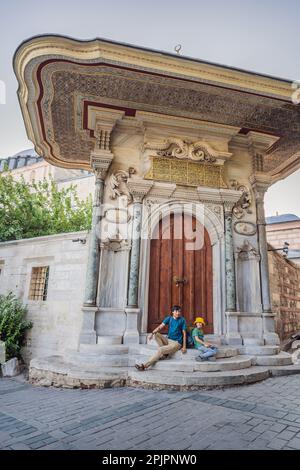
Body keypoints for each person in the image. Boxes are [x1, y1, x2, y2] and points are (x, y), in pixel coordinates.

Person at [135, 305, 187, 371]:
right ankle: (165, 353)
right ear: (173, 312)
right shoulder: (169, 318)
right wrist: (152, 333)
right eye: (176, 311)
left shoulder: (182, 320)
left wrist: (184, 346)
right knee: (156, 334)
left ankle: (144, 366)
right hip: (168, 340)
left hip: (176, 343)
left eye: (179, 311)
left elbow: (184, 333)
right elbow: (160, 327)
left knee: (160, 350)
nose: (178, 313)